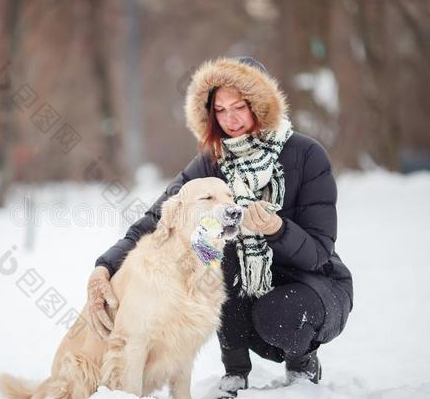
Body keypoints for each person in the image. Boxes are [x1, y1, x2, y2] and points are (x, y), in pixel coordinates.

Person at [86, 56, 353, 398]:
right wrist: (104, 267)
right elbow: (159, 219)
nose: (231, 119)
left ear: (261, 104)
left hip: (314, 285)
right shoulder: (213, 162)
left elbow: (318, 252)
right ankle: (235, 372)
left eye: (240, 107)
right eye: (221, 110)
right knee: (210, 259)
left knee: (280, 313)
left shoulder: (305, 154)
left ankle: (302, 362)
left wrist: (277, 229)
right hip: (247, 292)